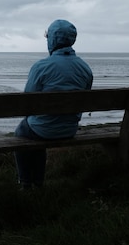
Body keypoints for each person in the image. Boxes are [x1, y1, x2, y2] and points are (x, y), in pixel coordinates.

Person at [14, 19, 93, 189]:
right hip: (69, 129)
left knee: (22, 131)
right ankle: (38, 183)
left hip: (43, 129)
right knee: (36, 128)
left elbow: (28, 101)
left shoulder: (41, 66)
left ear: (52, 40)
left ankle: (25, 183)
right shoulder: (85, 68)